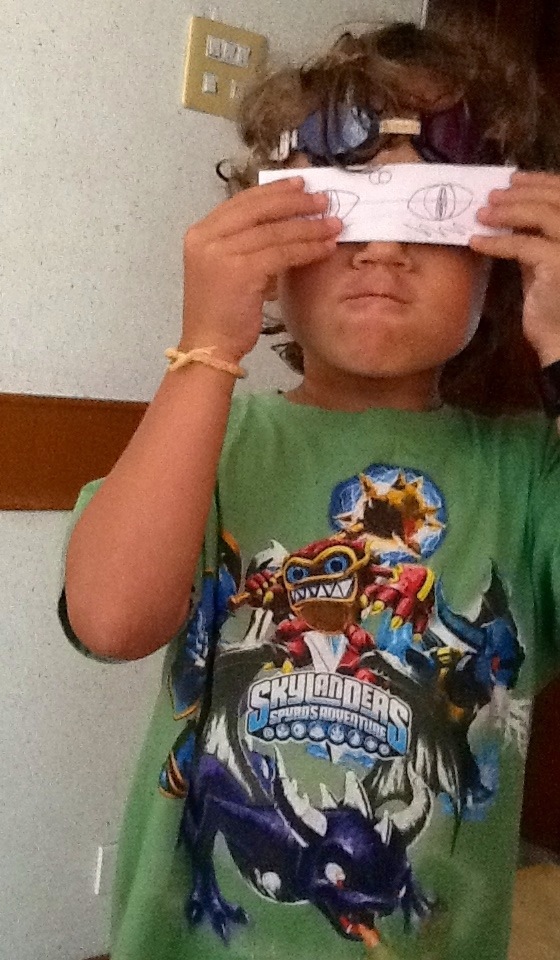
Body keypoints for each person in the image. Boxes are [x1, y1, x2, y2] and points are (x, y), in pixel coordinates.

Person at [60, 17, 560, 960]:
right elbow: (112, 619)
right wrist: (206, 347)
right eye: (343, 211)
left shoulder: (528, 474)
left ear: (500, 262)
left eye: (431, 214)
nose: (382, 251)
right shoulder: (207, 441)